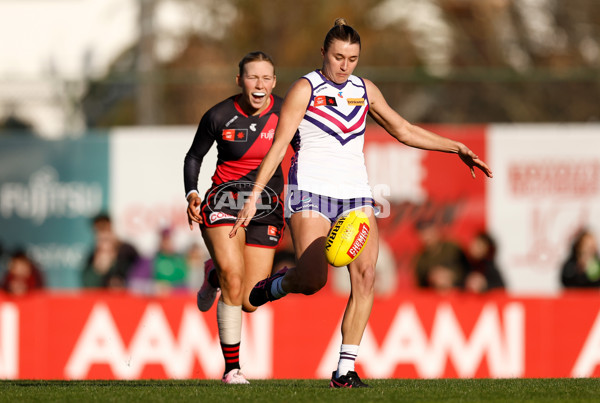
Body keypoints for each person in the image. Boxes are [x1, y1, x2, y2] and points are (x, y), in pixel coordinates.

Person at [230, 18, 493, 388]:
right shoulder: (305, 89)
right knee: (313, 280)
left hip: (356, 195)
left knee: (367, 275)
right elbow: (278, 146)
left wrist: (458, 148)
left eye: (352, 58)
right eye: (338, 56)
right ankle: (275, 286)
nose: (344, 65)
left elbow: (404, 129)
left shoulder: (364, 89)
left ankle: (344, 370)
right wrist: (254, 195)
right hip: (310, 193)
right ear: (324, 53)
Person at [184, 51, 284, 384]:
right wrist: (192, 193)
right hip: (224, 201)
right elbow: (194, 156)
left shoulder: (286, 112)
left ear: (274, 81)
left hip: (267, 205)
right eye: (252, 77)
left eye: (266, 77)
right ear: (239, 80)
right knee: (234, 275)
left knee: (249, 300)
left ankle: (212, 276)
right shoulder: (219, 115)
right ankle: (232, 370)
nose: (260, 84)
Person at [81, 213, 140, 289]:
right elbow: (88, 287)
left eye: (106, 228)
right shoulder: (92, 257)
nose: (103, 234)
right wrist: (98, 271)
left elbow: (140, 278)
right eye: (99, 230)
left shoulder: (128, 251)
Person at [414, 219, 470, 292]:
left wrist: (451, 276)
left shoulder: (452, 248)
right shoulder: (421, 259)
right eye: (424, 234)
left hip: (459, 292)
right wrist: (432, 279)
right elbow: (421, 286)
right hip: (435, 297)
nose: (427, 237)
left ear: (436, 232)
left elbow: (468, 269)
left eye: (430, 233)